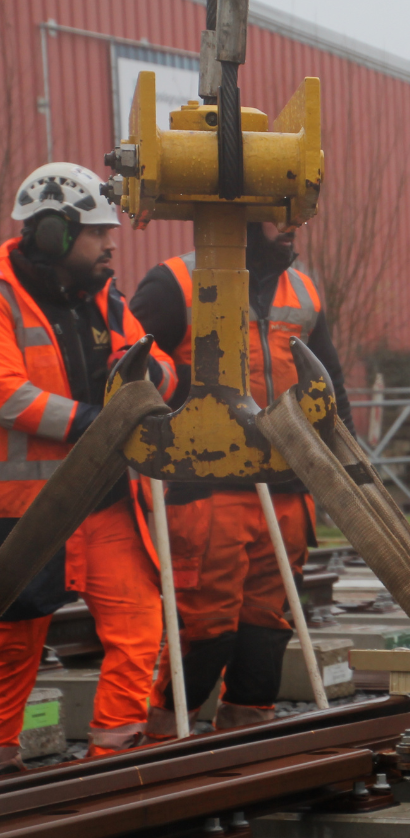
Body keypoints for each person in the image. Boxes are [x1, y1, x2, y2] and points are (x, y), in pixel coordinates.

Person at [130, 220, 354, 737]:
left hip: (289, 486)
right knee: (206, 626)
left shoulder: (304, 289)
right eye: (278, 216)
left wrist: (345, 460)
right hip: (209, 486)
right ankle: (163, 736)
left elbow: (331, 382)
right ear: (246, 218)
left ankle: (246, 741)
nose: (292, 226)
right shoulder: (174, 284)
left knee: (268, 624)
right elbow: (129, 364)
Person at [0, 163, 178, 769]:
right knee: (13, 639)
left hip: (104, 497)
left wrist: (153, 380)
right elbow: (8, 394)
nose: (111, 243)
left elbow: (152, 364)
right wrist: (99, 422)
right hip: (26, 509)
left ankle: (115, 760)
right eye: (99, 232)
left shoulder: (106, 297)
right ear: (52, 234)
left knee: (138, 624)